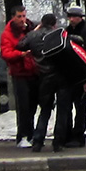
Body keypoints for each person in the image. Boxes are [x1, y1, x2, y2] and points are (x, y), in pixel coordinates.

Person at [18, 13, 70, 151]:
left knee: (45, 110)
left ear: (41, 23)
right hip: (62, 75)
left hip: (44, 77)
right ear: (54, 24)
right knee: (62, 111)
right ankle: (58, 143)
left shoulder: (33, 36)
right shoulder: (58, 34)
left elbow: (20, 45)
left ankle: (38, 141)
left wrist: (34, 31)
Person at [0, 5, 38, 149]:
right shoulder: (8, 34)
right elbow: (6, 53)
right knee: (23, 107)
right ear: (13, 17)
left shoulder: (30, 29)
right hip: (19, 73)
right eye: (19, 17)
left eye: (24, 16)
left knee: (32, 106)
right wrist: (20, 54)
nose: (23, 20)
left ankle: (31, 134)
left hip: (33, 72)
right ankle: (22, 136)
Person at [63, 6, 86, 148]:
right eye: (69, 16)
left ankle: (79, 135)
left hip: (81, 76)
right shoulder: (67, 31)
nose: (71, 19)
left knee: (80, 107)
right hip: (69, 74)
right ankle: (68, 134)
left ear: (80, 17)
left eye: (74, 16)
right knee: (68, 106)